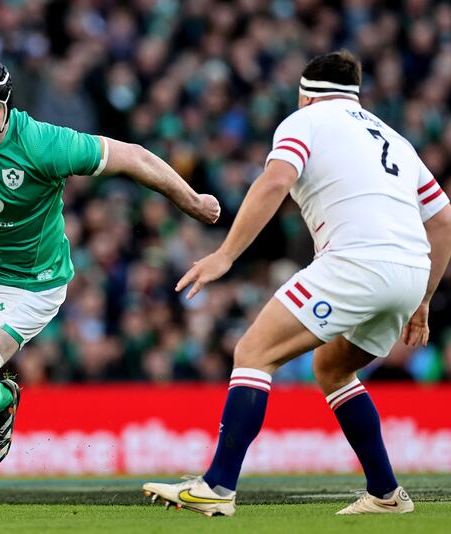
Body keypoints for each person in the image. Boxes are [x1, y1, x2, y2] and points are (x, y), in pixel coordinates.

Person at [0, 57, 221, 514]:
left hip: (30, 286)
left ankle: (1, 398)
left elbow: (133, 156)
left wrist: (191, 201)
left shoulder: (42, 143)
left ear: (8, 107)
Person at [143, 49, 451, 516]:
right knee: (331, 368)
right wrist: (425, 299)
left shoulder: (303, 121)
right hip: (410, 272)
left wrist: (225, 255)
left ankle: (218, 486)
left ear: (306, 95)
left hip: (356, 262)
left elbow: (274, 181)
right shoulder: (394, 137)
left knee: (253, 353)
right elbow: (444, 219)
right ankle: (386, 493)